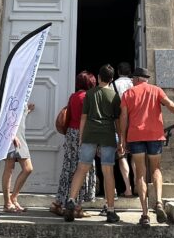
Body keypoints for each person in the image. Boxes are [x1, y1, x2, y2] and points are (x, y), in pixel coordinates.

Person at [118, 67, 174, 227]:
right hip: (155, 135)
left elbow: (123, 118)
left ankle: (144, 214)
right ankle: (159, 203)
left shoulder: (128, 94)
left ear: (136, 79)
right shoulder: (156, 90)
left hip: (135, 136)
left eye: (132, 79)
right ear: (146, 79)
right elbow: (169, 104)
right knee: (156, 169)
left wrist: (122, 138)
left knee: (140, 173)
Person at [63, 64, 121, 224]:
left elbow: (83, 118)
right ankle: (110, 210)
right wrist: (121, 138)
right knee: (108, 171)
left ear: (99, 77)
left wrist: (81, 137)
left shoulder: (89, 94)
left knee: (82, 168)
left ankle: (71, 200)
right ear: (112, 79)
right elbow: (117, 120)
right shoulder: (115, 97)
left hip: (90, 133)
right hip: (107, 134)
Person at [50, 71, 97, 217]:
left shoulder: (73, 96)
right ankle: (77, 207)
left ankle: (58, 203)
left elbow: (69, 115)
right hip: (83, 134)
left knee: (68, 168)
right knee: (83, 169)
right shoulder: (88, 97)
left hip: (71, 133)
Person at [1, 101, 35, 212]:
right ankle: (7, 203)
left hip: (20, 136)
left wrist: (26, 111)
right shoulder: (14, 91)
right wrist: (12, 134)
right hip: (12, 135)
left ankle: (13, 198)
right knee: (9, 168)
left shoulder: (24, 94)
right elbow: (5, 114)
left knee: (28, 169)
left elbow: (18, 115)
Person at [112, 61, 134, 198]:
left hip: (119, 121)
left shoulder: (114, 84)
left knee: (121, 155)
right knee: (135, 155)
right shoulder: (134, 84)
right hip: (133, 120)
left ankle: (128, 188)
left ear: (118, 71)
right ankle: (137, 186)